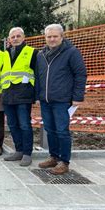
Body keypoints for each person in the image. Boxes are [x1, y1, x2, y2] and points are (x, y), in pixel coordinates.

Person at [36, 24, 86, 175]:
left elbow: (80, 74)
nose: (52, 39)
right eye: (49, 36)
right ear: (45, 38)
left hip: (62, 100)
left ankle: (64, 162)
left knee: (62, 131)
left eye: (55, 36)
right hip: (46, 101)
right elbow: (39, 77)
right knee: (50, 130)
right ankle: (54, 157)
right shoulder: (41, 55)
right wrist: (38, 96)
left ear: (62, 37)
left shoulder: (71, 52)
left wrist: (77, 97)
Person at [2, 27, 38, 167]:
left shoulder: (32, 52)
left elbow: (38, 74)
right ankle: (19, 150)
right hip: (7, 94)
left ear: (24, 38)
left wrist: (36, 94)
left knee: (24, 124)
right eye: (13, 37)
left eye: (18, 36)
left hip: (23, 94)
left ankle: (27, 153)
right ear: (9, 39)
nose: (15, 38)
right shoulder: (5, 54)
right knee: (12, 124)